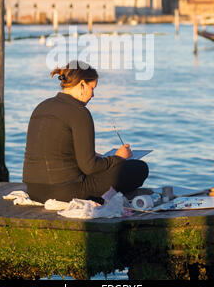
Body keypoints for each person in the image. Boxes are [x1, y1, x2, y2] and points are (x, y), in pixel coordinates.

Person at [22, 61, 149, 203]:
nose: (93, 95)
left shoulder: (41, 106)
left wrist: (96, 156)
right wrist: (118, 158)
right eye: (92, 88)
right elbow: (89, 167)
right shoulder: (79, 112)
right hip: (66, 192)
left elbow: (55, 150)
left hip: (34, 191)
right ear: (82, 84)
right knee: (139, 168)